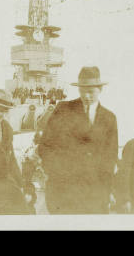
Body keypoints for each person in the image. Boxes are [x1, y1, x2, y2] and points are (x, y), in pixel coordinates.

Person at [38, 66, 118, 214]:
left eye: (91, 92)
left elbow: (110, 157)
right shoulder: (63, 110)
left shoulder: (109, 118)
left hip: (94, 197)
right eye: (82, 91)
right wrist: (56, 172)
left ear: (100, 89)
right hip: (64, 194)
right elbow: (45, 146)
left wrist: (106, 193)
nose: (86, 96)